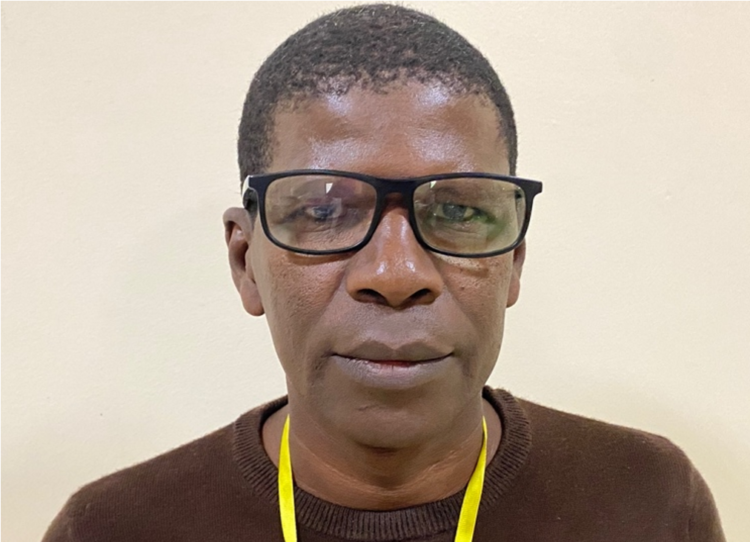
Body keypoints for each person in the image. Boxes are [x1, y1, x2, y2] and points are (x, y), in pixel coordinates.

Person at [42, 4, 725, 541]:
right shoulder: (114, 528)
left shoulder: (649, 501)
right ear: (246, 262)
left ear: (513, 261)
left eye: (458, 211)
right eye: (323, 210)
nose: (396, 275)